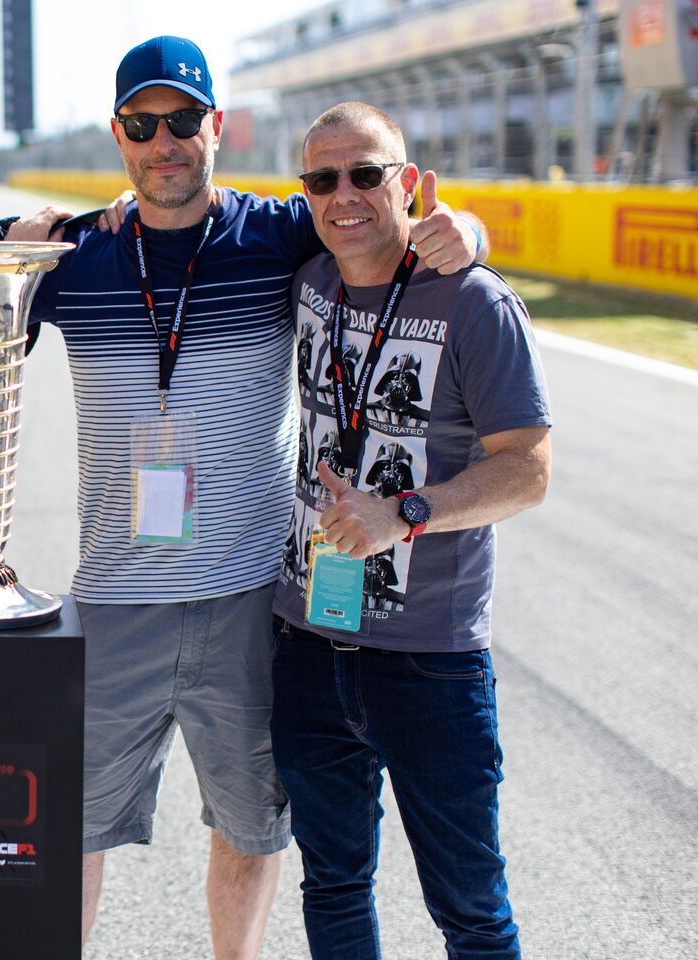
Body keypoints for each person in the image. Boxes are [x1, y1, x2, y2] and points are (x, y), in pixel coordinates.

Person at [0, 36, 488, 960]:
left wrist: (468, 228)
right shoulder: (75, 251)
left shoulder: (280, 231)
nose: (166, 143)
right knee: (72, 825)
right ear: (119, 135)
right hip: (114, 595)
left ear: (216, 129)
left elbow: (388, 218)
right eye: (144, 125)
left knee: (252, 825)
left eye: (184, 120)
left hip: (248, 594)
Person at [270, 101, 550, 960]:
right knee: (335, 886)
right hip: (308, 643)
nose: (344, 194)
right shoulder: (309, 277)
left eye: (366, 174)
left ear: (410, 182)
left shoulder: (474, 301)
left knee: (469, 910)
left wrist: (406, 514)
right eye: (322, 178)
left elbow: (529, 470)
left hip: (431, 661)